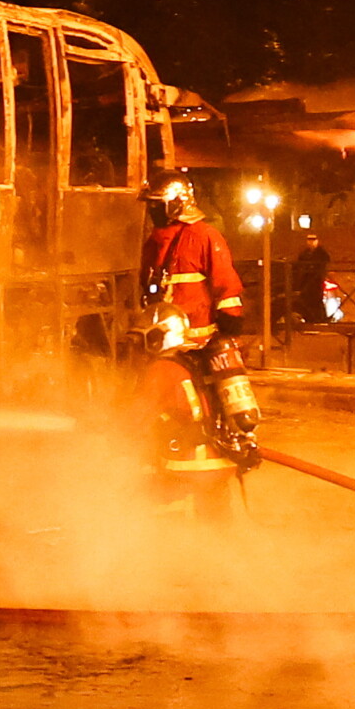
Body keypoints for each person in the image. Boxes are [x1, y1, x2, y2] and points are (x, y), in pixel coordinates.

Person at [136, 171, 259, 517]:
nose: (153, 213)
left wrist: (229, 320)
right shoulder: (153, 244)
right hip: (163, 343)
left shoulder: (205, 235)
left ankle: (233, 448)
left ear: (176, 204)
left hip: (202, 340)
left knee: (217, 410)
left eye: (157, 207)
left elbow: (225, 283)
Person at [292, 233, 332, 325]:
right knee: (307, 301)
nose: (311, 242)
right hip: (306, 281)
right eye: (309, 240)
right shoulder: (304, 253)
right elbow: (299, 265)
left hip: (317, 281)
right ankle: (311, 319)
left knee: (317, 300)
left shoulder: (321, 253)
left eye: (313, 240)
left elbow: (324, 262)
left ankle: (320, 319)